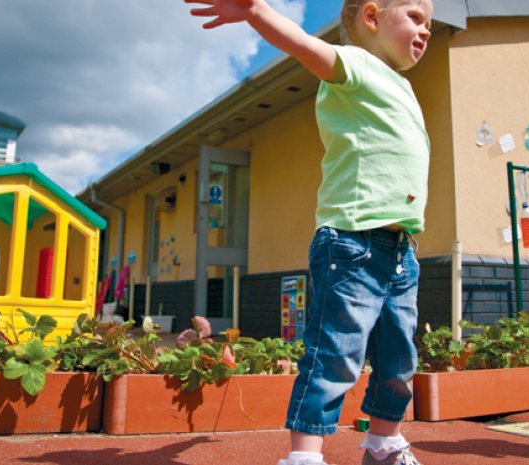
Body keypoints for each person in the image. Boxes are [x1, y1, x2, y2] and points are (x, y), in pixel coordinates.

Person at [185, 1, 433, 464]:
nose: (426, 30)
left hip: (401, 252)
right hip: (353, 243)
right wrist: (257, 11)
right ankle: (304, 456)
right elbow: (304, 46)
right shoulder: (357, 65)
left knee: (399, 361)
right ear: (372, 17)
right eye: (416, 17)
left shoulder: (402, 86)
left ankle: (382, 444)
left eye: (430, 24)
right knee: (335, 354)